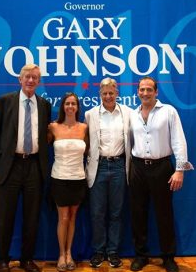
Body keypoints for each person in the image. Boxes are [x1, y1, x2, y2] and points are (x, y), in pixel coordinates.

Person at [0, 64, 51, 272]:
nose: (31, 81)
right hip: (10, 165)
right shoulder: (5, 101)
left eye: (34, 77)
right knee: (4, 216)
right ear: (20, 80)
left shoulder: (44, 105)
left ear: (39, 82)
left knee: (31, 216)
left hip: (34, 166)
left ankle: (26, 259)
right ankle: (2, 260)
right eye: (27, 77)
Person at [129, 76, 193, 272]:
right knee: (138, 214)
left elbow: (178, 141)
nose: (145, 93)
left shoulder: (168, 111)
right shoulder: (133, 114)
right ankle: (141, 255)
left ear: (156, 92)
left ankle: (168, 257)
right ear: (138, 92)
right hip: (138, 168)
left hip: (162, 167)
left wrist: (180, 170)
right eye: (142, 89)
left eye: (149, 89)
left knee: (164, 214)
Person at [85, 77, 132, 268]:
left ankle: (112, 252)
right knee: (97, 212)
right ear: (100, 95)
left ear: (117, 93)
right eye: (104, 93)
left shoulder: (128, 113)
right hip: (99, 166)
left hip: (120, 166)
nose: (108, 96)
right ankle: (98, 251)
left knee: (116, 212)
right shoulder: (90, 115)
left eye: (111, 92)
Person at [47, 92, 88, 272]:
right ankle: (61, 255)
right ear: (63, 106)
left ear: (77, 107)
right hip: (59, 178)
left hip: (78, 178)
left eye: (73, 104)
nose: (70, 107)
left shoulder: (84, 128)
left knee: (72, 217)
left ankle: (69, 253)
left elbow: (90, 153)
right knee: (63, 217)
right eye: (67, 104)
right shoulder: (53, 127)